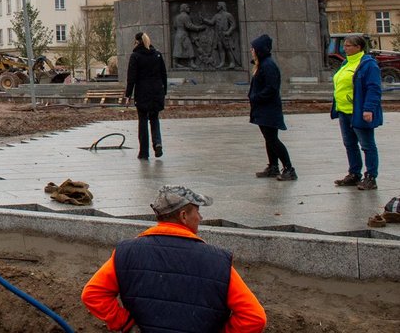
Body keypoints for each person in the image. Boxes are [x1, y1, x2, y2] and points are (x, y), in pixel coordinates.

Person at [82, 184, 267, 333]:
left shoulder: (127, 252)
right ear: (184, 216)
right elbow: (254, 317)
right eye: (197, 211)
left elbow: (92, 294)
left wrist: (125, 324)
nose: (200, 217)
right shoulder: (217, 260)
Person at [331, 34, 383, 190]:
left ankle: (371, 177)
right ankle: (354, 174)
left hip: (359, 112)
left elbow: (374, 89)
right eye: (345, 45)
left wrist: (368, 109)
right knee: (350, 144)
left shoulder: (368, 64)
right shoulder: (346, 63)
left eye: (348, 45)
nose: (345, 48)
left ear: (358, 47)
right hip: (343, 111)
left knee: (367, 145)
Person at [249, 34, 296, 181]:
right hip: (263, 108)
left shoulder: (268, 65)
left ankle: (289, 168)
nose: (251, 50)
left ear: (260, 50)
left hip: (268, 109)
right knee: (269, 139)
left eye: (253, 48)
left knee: (273, 139)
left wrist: (256, 98)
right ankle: (273, 167)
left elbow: (271, 88)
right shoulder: (262, 64)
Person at [125, 32, 167, 159]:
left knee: (143, 120)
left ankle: (144, 152)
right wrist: (164, 92)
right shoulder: (158, 55)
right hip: (156, 92)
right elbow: (163, 74)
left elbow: (131, 78)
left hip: (142, 93)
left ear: (137, 42)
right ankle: (157, 143)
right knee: (154, 119)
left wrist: (128, 95)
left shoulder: (135, 56)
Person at [204, 1, 241, 69]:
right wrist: (204, 20)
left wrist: (228, 32)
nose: (216, 7)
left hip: (225, 34)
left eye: (218, 5)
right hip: (218, 35)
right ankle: (222, 62)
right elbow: (211, 22)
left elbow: (233, 25)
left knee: (228, 49)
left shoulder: (228, 15)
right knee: (220, 49)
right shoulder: (216, 15)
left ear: (221, 6)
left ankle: (232, 62)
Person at [172, 3, 204, 69]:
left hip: (178, 34)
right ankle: (191, 63)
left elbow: (174, 26)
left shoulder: (177, 17)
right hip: (184, 35)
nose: (189, 9)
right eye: (187, 8)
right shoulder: (186, 16)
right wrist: (199, 28)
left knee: (177, 49)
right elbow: (189, 26)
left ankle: (175, 63)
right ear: (184, 8)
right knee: (190, 48)